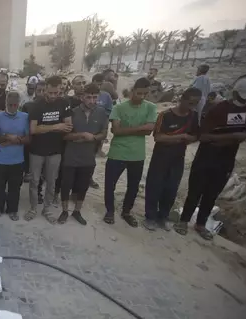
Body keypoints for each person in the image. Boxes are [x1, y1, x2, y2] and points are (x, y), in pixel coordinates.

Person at [175, 79, 246, 240]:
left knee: (212, 193)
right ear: (235, 93)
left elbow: (244, 134)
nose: (244, 101)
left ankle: (200, 224)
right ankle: (184, 220)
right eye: (242, 98)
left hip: (226, 159)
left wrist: (223, 139)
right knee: (195, 190)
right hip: (206, 157)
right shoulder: (219, 109)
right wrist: (232, 137)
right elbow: (204, 136)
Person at [144, 88, 201, 232]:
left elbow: (195, 136)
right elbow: (158, 137)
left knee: (171, 188)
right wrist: (180, 137)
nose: (192, 106)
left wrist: (187, 139)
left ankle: (162, 216)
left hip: (178, 157)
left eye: (195, 103)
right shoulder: (165, 115)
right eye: (190, 102)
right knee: (155, 186)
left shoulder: (193, 117)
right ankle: (150, 217)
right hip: (161, 156)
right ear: (182, 99)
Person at [104, 77, 157, 227]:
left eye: (145, 94)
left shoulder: (151, 107)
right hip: (117, 152)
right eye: (139, 93)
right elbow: (115, 130)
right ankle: (109, 211)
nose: (142, 97)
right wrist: (140, 128)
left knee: (133, 186)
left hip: (137, 154)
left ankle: (126, 211)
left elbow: (149, 130)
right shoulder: (119, 108)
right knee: (110, 184)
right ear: (133, 91)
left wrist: (125, 130)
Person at [58, 83, 109, 225]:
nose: (92, 101)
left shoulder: (101, 112)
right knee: (66, 184)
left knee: (83, 185)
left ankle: (77, 211)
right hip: (71, 156)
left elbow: (104, 133)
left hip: (88, 157)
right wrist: (81, 135)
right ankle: (64, 211)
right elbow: (64, 136)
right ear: (82, 97)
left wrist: (93, 138)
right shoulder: (72, 113)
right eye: (88, 97)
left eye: (95, 98)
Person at [25, 76, 72, 223]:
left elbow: (68, 126)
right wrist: (56, 126)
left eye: (56, 93)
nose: (53, 96)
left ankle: (47, 209)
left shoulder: (64, 103)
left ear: (61, 90)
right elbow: (33, 129)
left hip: (55, 150)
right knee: (34, 181)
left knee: (51, 181)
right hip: (37, 150)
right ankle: (33, 208)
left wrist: (44, 128)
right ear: (45, 89)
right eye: (50, 92)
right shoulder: (36, 105)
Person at [0, 91, 29, 220]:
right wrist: (7, 137)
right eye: (10, 104)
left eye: (15, 105)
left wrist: (15, 140)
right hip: (0, 160)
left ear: (19, 104)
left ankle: (12, 210)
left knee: (15, 188)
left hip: (17, 161)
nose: (12, 107)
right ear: (5, 103)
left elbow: (29, 139)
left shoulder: (25, 117)